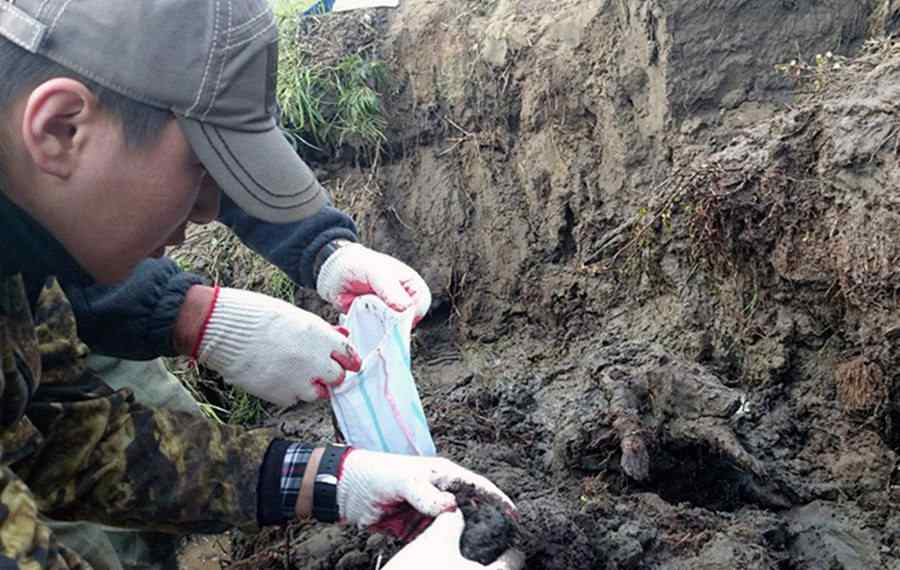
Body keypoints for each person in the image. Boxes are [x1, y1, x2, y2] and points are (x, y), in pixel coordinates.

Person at [0, 0, 522, 568]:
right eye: (201, 167)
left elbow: (63, 441)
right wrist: (190, 314)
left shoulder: (26, 263)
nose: (206, 211)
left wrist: (336, 480)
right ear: (60, 129)